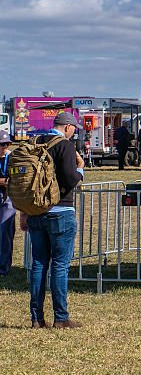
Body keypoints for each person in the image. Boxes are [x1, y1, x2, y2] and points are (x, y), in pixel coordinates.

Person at [27, 111, 85, 328]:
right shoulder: (65, 146)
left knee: (39, 264)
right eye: (74, 130)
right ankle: (60, 318)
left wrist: (25, 212)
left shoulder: (36, 143)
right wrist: (80, 168)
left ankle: (36, 318)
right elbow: (71, 179)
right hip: (60, 212)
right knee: (60, 266)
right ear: (68, 127)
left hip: (35, 212)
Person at [0, 130, 15, 276]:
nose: (3, 147)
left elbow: (18, 178)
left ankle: (4, 267)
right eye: (1, 144)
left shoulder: (13, 158)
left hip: (8, 197)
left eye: (6, 144)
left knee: (5, 231)